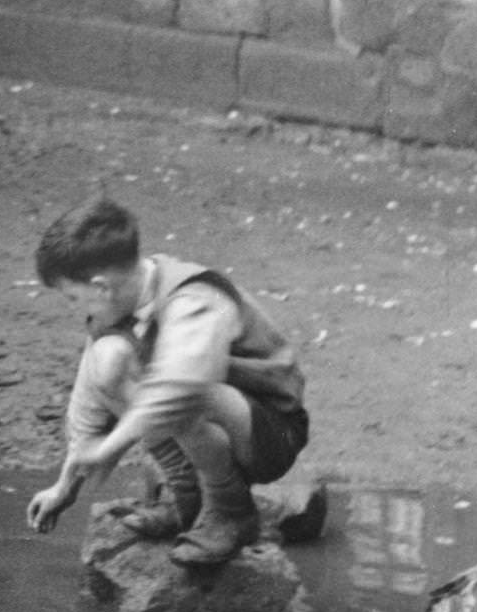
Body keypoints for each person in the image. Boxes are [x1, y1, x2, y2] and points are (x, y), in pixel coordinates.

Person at [25, 196, 308, 567]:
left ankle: (231, 509)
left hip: (269, 434)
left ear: (100, 287)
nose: (77, 308)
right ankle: (185, 495)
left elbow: (179, 388)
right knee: (107, 359)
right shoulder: (117, 304)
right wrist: (65, 485)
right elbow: (89, 398)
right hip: (208, 419)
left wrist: (109, 448)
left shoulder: (195, 297)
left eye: (73, 297)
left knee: (183, 395)